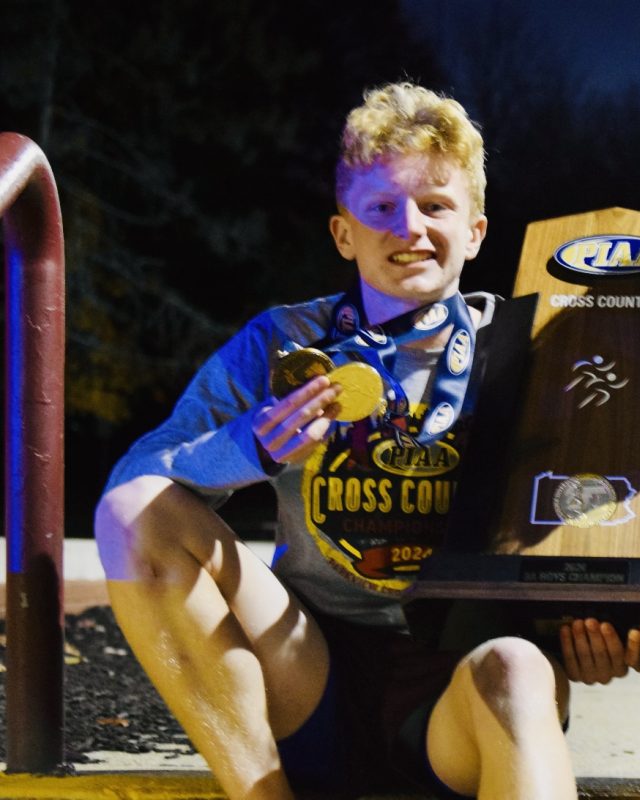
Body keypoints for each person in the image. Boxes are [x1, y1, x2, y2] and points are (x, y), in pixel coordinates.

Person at [94, 82, 577, 800]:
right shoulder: (283, 341)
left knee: (518, 664)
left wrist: (603, 615)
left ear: (476, 232)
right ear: (344, 233)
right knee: (131, 513)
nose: (408, 227)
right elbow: (139, 475)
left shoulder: (532, 348)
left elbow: (602, 507)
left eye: (435, 205)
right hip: (309, 660)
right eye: (381, 207)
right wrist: (251, 448)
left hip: (464, 672)